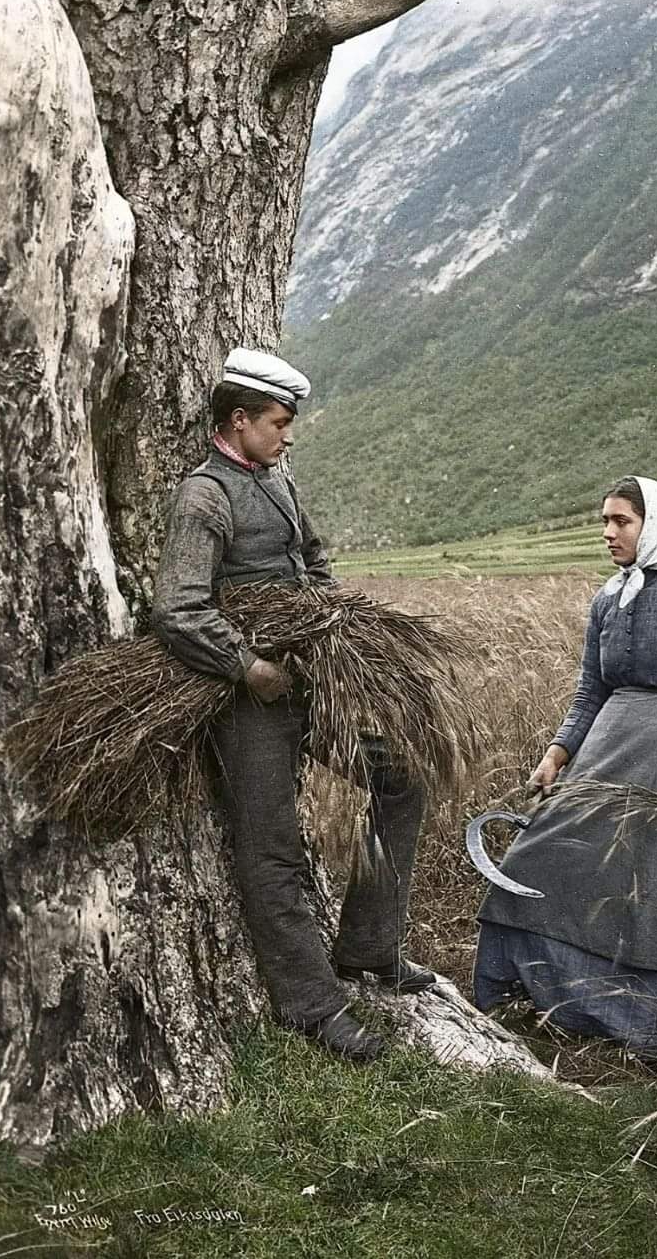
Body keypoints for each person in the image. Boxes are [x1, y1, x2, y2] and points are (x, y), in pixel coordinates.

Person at [152, 347, 436, 1064]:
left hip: (309, 680)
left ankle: (369, 947)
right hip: (247, 703)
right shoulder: (205, 496)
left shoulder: (276, 481)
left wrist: (334, 627)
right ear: (239, 420)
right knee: (271, 848)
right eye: (279, 422)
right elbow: (179, 610)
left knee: (402, 778)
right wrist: (249, 667)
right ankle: (310, 1005)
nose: (288, 435)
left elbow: (314, 562)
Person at [472, 475, 657, 1062]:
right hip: (607, 749)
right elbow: (590, 691)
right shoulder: (608, 598)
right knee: (536, 858)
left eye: (621, 522)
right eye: (604, 521)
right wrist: (555, 755)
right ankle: (536, 995)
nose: (608, 533)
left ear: (652, 525)